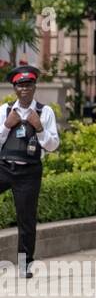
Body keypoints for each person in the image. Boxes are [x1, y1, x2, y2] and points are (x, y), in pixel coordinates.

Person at [0, 66, 60, 279]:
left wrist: (40, 128)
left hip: (29, 172)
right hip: (4, 167)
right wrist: (7, 126)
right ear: (14, 88)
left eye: (28, 85)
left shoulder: (45, 112)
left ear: (35, 87)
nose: (24, 89)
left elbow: (53, 146)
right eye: (20, 85)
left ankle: (25, 263)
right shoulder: (5, 111)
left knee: (26, 219)